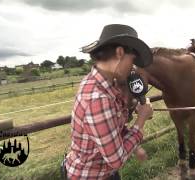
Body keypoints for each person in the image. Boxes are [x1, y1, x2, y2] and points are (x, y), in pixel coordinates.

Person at [65, 24, 154, 180]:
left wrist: (135, 146)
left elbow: (112, 127)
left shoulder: (100, 84)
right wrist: (141, 119)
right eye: (132, 60)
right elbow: (116, 160)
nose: (132, 67)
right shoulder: (98, 99)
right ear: (120, 53)